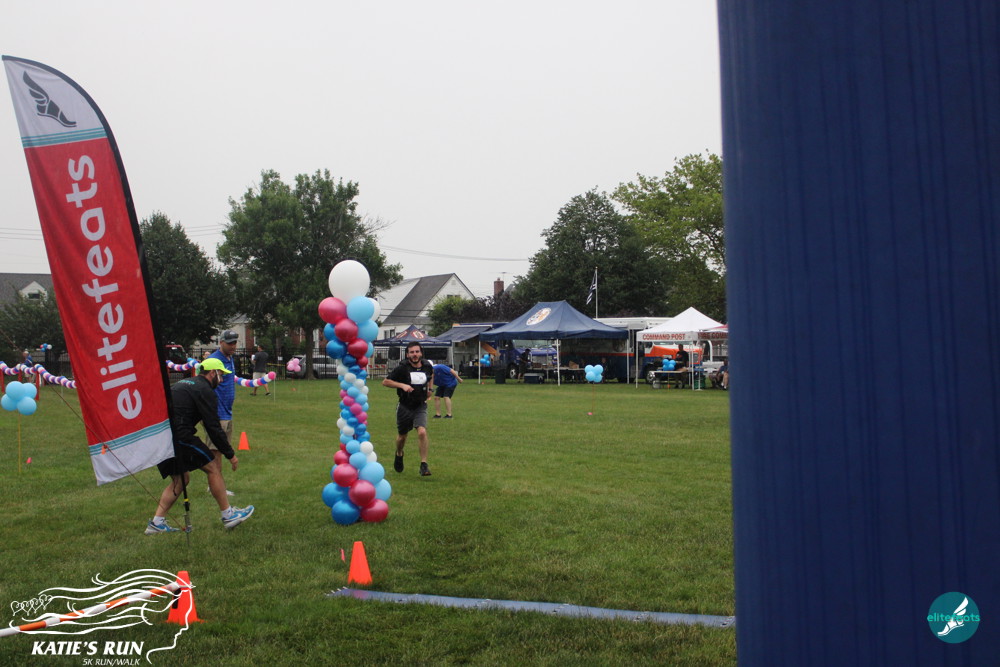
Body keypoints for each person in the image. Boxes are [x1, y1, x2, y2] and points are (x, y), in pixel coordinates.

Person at [145, 358, 254, 533]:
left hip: (160, 435)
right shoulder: (205, 390)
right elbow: (213, 427)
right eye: (221, 375)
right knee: (213, 467)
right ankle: (228, 515)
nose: (222, 380)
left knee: (181, 479)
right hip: (180, 435)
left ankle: (156, 523)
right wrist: (230, 454)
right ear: (212, 373)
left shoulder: (184, 383)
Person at [382, 342, 434, 476]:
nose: (414, 355)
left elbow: (431, 375)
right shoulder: (402, 368)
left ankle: (424, 464)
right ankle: (399, 453)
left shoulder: (427, 366)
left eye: (417, 352)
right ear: (407, 355)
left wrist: (430, 389)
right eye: (412, 352)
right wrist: (402, 386)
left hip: (420, 405)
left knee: (422, 432)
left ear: (421, 353)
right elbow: (386, 382)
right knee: (402, 437)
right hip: (405, 406)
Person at [206, 329, 239, 496]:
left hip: (227, 412)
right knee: (215, 451)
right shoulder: (213, 360)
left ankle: (216, 485)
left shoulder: (230, 359)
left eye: (235, 342)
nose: (233, 346)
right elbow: (205, 386)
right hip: (217, 413)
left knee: (221, 449)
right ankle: (215, 487)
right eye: (230, 343)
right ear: (221, 342)